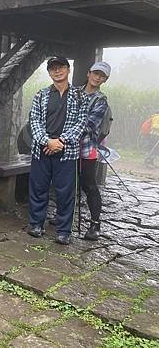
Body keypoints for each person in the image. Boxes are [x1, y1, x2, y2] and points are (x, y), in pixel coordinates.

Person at [27, 56, 87, 245]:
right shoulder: (41, 95)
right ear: (49, 72)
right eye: (53, 68)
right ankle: (36, 224)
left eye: (61, 67)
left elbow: (82, 122)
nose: (57, 71)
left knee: (65, 192)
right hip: (42, 150)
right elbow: (34, 121)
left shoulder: (80, 95)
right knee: (38, 188)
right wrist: (47, 141)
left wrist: (60, 141)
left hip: (66, 151)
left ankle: (63, 231)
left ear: (68, 69)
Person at [79, 61, 111, 241]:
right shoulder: (74, 92)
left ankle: (95, 223)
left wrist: (67, 130)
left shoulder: (101, 100)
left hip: (87, 147)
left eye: (102, 76)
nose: (97, 77)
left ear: (105, 80)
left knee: (88, 184)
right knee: (67, 182)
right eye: (96, 73)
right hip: (67, 147)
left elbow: (90, 124)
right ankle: (63, 215)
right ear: (88, 73)